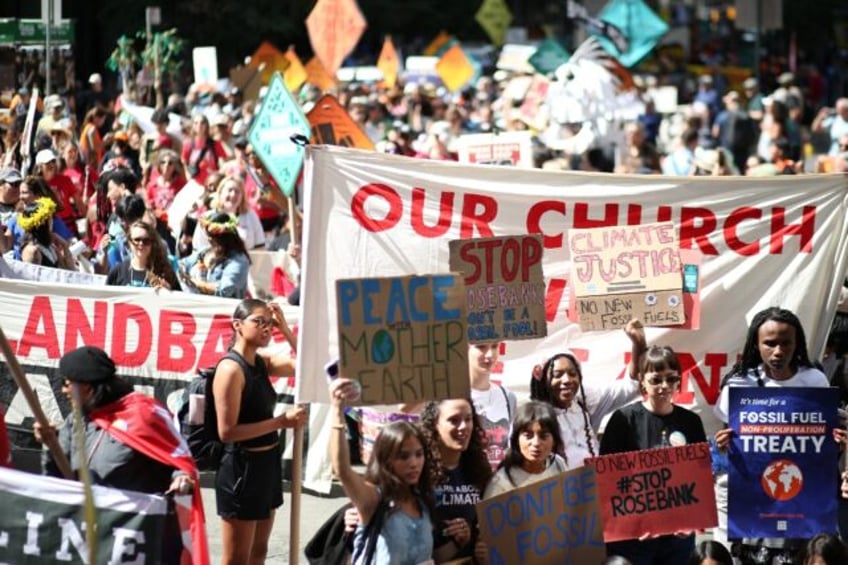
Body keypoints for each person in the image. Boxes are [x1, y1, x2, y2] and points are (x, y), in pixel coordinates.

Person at [37, 346, 208, 564]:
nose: (63, 390)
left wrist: (181, 478)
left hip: (136, 539)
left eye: (67, 383)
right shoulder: (76, 421)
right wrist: (50, 446)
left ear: (87, 387)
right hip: (87, 533)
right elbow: (58, 479)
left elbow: (178, 461)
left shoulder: (144, 415)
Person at [714, 307, 831, 563]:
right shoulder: (739, 383)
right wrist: (722, 444)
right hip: (754, 498)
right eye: (769, 343)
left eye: (786, 343)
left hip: (800, 497)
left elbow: (824, 440)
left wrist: (838, 442)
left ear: (797, 343)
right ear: (756, 345)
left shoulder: (814, 381)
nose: (778, 351)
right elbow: (727, 437)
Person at [211, 298, 306, 565]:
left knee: (259, 552)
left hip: (267, 464)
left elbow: (306, 367)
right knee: (237, 559)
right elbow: (227, 432)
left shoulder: (261, 362)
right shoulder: (230, 369)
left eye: (269, 323)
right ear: (237, 325)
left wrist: (286, 329)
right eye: (259, 321)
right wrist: (280, 422)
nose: (266, 328)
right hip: (242, 468)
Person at [601, 344, 707, 564]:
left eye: (671, 379)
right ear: (642, 381)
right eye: (656, 380)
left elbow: (699, 478)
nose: (664, 386)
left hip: (677, 539)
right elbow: (608, 481)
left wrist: (690, 523)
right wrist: (634, 523)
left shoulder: (691, 422)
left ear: (679, 380)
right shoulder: (623, 420)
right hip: (632, 538)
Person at [329, 377, 435, 565]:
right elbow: (343, 470)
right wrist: (337, 412)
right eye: (404, 456)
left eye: (419, 454)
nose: (414, 463)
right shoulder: (373, 500)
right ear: (386, 459)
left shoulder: (423, 500)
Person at [531, 319, 646, 467]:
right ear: (544, 380)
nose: (566, 380)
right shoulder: (533, 417)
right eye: (557, 374)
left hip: (595, 484)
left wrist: (638, 344)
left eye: (572, 374)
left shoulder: (585, 402)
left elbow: (631, 387)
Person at [420, 398, 492, 562]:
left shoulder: (480, 471)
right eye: (454, 420)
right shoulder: (419, 471)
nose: (463, 427)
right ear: (434, 425)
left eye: (468, 419)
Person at [482, 401, 567, 499]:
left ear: (554, 440)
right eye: (528, 436)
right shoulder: (502, 483)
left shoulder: (559, 465)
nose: (536, 443)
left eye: (543, 436)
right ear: (517, 439)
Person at [468, 342, 517, 470]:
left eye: (494, 346)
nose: (489, 355)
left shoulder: (508, 397)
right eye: (481, 346)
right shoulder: (454, 396)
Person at [180, 211, 251, 298]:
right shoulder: (205, 251)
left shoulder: (239, 260)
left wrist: (195, 283)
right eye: (207, 235)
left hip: (224, 309)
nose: (209, 239)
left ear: (225, 237)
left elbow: (225, 290)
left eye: (212, 236)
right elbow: (182, 265)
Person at [192, 175, 265, 250]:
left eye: (237, 191)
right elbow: (197, 248)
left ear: (242, 197)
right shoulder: (206, 217)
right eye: (230, 190)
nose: (233, 194)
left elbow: (260, 246)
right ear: (220, 193)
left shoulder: (250, 216)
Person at [106, 220, 181, 290]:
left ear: (152, 244)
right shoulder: (118, 272)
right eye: (137, 240)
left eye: (146, 241)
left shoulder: (164, 273)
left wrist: (168, 291)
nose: (141, 244)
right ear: (129, 242)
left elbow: (181, 301)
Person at [18, 197, 75, 270]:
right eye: (50, 218)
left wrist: (65, 245)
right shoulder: (32, 251)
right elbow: (32, 278)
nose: (52, 221)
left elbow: (70, 270)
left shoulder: (51, 246)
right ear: (43, 223)